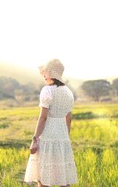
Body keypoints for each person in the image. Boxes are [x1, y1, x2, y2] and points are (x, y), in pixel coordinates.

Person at [24, 59, 78, 187]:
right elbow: (68, 118)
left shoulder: (47, 90)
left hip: (47, 136)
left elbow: (43, 117)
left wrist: (34, 139)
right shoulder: (68, 92)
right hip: (62, 136)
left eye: (45, 72)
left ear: (51, 73)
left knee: (42, 177)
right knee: (63, 177)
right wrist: (65, 137)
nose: (43, 75)